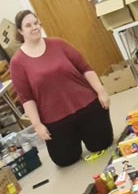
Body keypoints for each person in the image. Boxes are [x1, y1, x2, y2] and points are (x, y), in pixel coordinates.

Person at [9, 10, 114, 167]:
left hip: (87, 106)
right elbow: (26, 98)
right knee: (65, 160)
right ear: (20, 31)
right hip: (56, 119)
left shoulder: (59, 44)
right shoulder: (17, 63)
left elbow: (85, 68)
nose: (34, 28)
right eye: (28, 25)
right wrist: (37, 125)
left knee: (102, 144)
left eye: (36, 23)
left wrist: (101, 92)